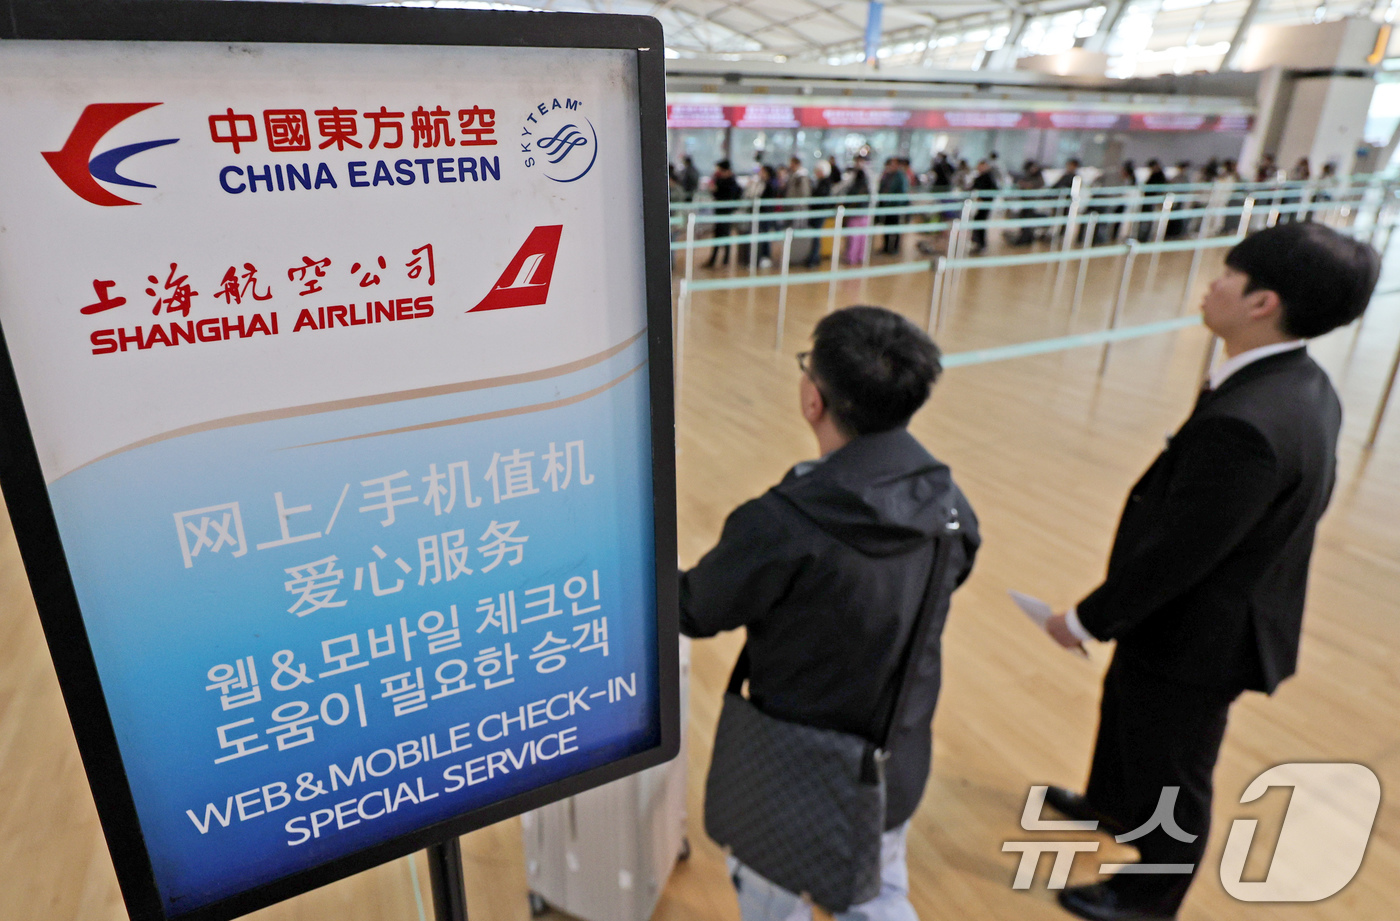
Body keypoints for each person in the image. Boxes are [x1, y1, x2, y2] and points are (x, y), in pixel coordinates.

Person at [1040, 222, 1380, 921]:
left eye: (1228, 274)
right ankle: (1108, 801)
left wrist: (1085, 617)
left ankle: (1148, 896)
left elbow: (1181, 553)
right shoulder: (1294, 381)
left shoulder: (1249, 424)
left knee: (1174, 766)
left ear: (1263, 302)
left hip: (1202, 633)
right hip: (1191, 618)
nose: (1211, 283)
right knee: (1128, 714)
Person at [681, 305, 980, 921]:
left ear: (813, 400)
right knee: (878, 886)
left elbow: (695, 608)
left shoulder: (784, 523)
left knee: (772, 898)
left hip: (790, 771)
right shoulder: (951, 508)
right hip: (893, 759)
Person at [705, 160, 742, 268]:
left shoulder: (732, 182)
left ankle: (724, 260)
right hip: (720, 211)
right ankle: (715, 260)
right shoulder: (720, 179)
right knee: (718, 234)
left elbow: (730, 196)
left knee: (725, 235)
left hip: (726, 212)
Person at [879, 157, 909, 255]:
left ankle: (895, 248)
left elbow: (903, 192)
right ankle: (886, 247)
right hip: (887, 206)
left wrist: (898, 204)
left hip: (896, 207)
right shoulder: (887, 175)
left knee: (895, 229)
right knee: (887, 227)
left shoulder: (901, 176)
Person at [969, 159, 998, 254]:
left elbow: (993, 190)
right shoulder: (982, 176)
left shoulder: (989, 176)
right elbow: (974, 186)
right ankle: (978, 243)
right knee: (978, 221)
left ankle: (981, 245)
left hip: (986, 205)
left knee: (981, 223)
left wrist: (983, 198)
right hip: (982, 205)